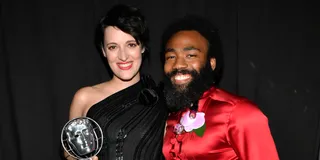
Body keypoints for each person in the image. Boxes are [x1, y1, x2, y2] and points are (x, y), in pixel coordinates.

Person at [161, 15, 279, 160]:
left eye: (190, 55)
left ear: (211, 63)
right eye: (171, 57)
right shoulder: (171, 114)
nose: (178, 65)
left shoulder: (240, 113)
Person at [64, 4, 167, 160]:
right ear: (104, 51)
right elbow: (70, 152)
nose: (123, 56)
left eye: (131, 45)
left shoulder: (162, 98)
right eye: (113, 47)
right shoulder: (85, 97)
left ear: (143, 47)